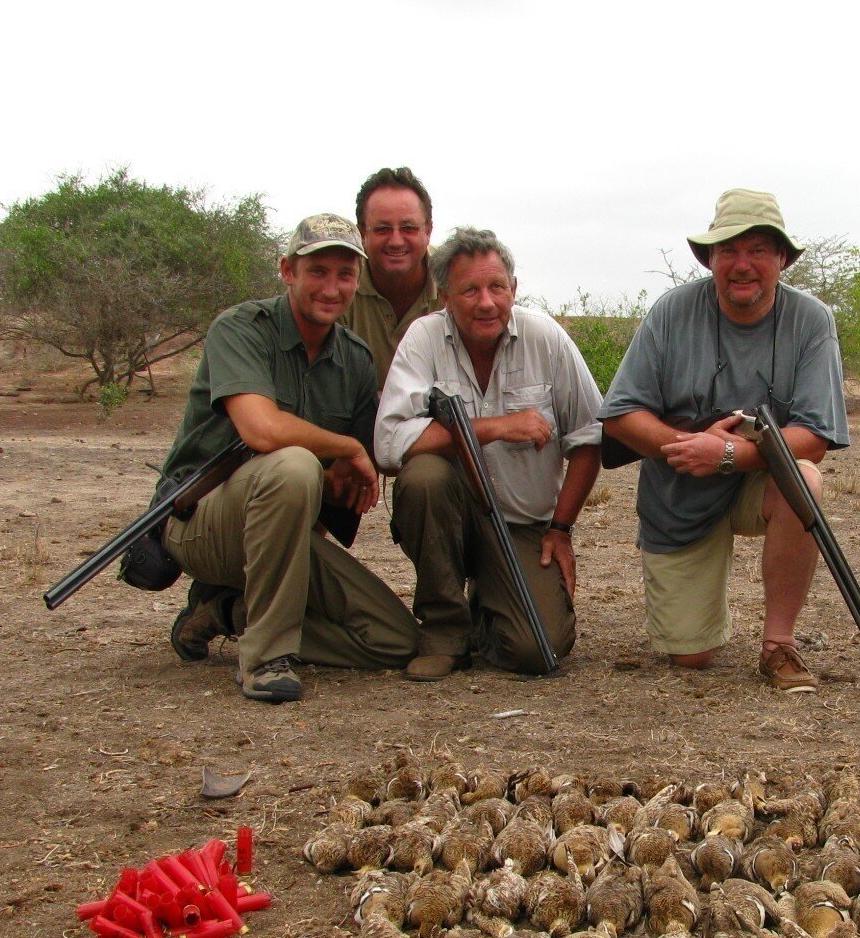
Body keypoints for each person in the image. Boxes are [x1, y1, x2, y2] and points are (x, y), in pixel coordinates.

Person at [159, 215, 418, 702]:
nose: (331, 287)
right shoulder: (239, 328)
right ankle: (264, 660)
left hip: (283, 535)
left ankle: (228, 614)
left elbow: (355, 475)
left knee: (395, 641)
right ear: (287, 271)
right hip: (200, 522)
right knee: (295, 465)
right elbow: (262, 429)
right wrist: (346, 449)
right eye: (317, 271)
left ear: (357, 281)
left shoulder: (356, 359)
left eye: (345, 274)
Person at [599, 188, 848, 693]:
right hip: (681, 496)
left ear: (782, 258)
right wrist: (688, 446)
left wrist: (730, 455)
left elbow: (815, 438)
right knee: (692, 658)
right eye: (728, 250)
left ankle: (779, 645)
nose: (742, 264)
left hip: (756, 482)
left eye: (758, 250)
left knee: (805, 480)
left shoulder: (812, 320)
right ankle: (704, 607)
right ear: (710, 257)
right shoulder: (670, 311)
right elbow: (621, 415)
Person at [375, 227, 603, 679]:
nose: (486, 302)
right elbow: (389, 444)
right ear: (444, 297)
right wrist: (493, 428)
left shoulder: (547, 338)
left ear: (514, 289)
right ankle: (444, 629)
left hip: (523, 526)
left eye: (497, 287)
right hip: (452, 517)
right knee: (423, 477)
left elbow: (591, 436)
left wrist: (561, 530)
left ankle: (486, 607)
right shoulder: (423, 338)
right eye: (470, 290)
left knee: (538, 652)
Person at [341, 167, 442, 388]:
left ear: (428, 230)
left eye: (408, 228)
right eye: (383, 229)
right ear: (362, 233)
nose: (396, 241)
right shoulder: (339, 286)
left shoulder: (455, 282)